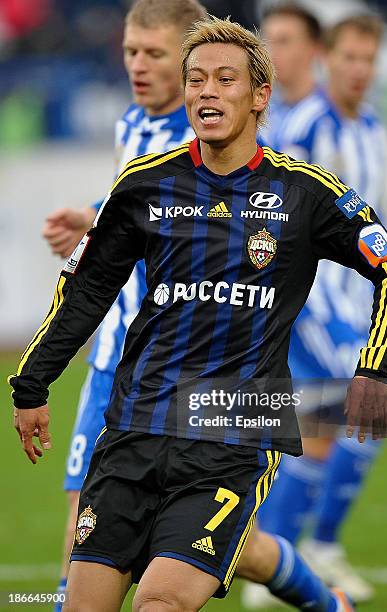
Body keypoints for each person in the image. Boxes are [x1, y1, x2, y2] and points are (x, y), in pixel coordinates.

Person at [10, 15, 387, 612]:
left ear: (259, 97)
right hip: (134, 428)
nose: (207, 91)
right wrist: (32, 383)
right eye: (196, 79)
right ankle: (322, 598)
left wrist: (374, 369)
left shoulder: (305, 193)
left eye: (226, 79)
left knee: (162, 603)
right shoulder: (146, 185)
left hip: (233, 437)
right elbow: (87, 287)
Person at [255, 8, 387, 604]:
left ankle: (276, 551)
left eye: (368, 59)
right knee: (376, 412)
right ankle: (310, 548)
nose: (358, 70)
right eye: (348, 57)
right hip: (317, 302)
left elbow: (370, 218)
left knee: (333, 425)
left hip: (363, 299)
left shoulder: (371, 128)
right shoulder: (301, 128)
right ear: (328, 60)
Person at [41, 0, 203, 606]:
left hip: (177, 362)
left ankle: (318, 594)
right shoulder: (132, 122)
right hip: (114, 350)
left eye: (154, 53)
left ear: (188, 60)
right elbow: (129, 210)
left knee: (235, 546)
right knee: (83, 505)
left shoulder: (204, 138)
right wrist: (92, 220)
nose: (137, 64)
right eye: (132, 50)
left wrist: (96, 222)